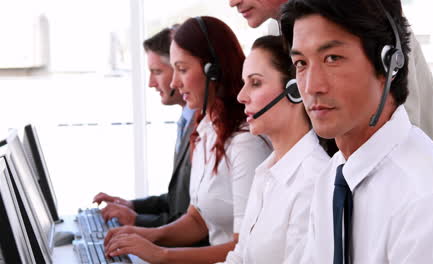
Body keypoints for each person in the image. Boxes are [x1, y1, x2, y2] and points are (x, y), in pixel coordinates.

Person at [280, 0, 433, 262]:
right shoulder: (332, 177)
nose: (311, 86)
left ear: (389, 64)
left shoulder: (431, 199)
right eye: (301, 63)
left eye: (332, 58)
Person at [228, 0, 433, 174]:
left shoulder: (366, 15)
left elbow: (395, 128)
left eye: (332, 58)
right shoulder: (279, 32)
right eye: (300, 62)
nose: (233, 2)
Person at [104, 16, 272, 263]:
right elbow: (198, 219)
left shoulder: (246, 143)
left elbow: (244, 248)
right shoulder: (206, 130)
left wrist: (161, 255)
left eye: (182, 69)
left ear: (213, 69)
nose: (174, 82)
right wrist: (143, 234)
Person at [216, 35, 330, 264]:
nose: (241, 96)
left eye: (255, 83)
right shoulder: (266, 172)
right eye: (244, 83)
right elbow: (239, 257)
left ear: (295, 90)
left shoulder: (314, 180)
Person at [92, 26, 197, 229]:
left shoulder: (207, 127)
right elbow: (180, 200)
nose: (150, 83)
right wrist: (132, 206)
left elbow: (199, 221)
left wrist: (136, 220)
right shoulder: (186, 122)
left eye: (157, 72)